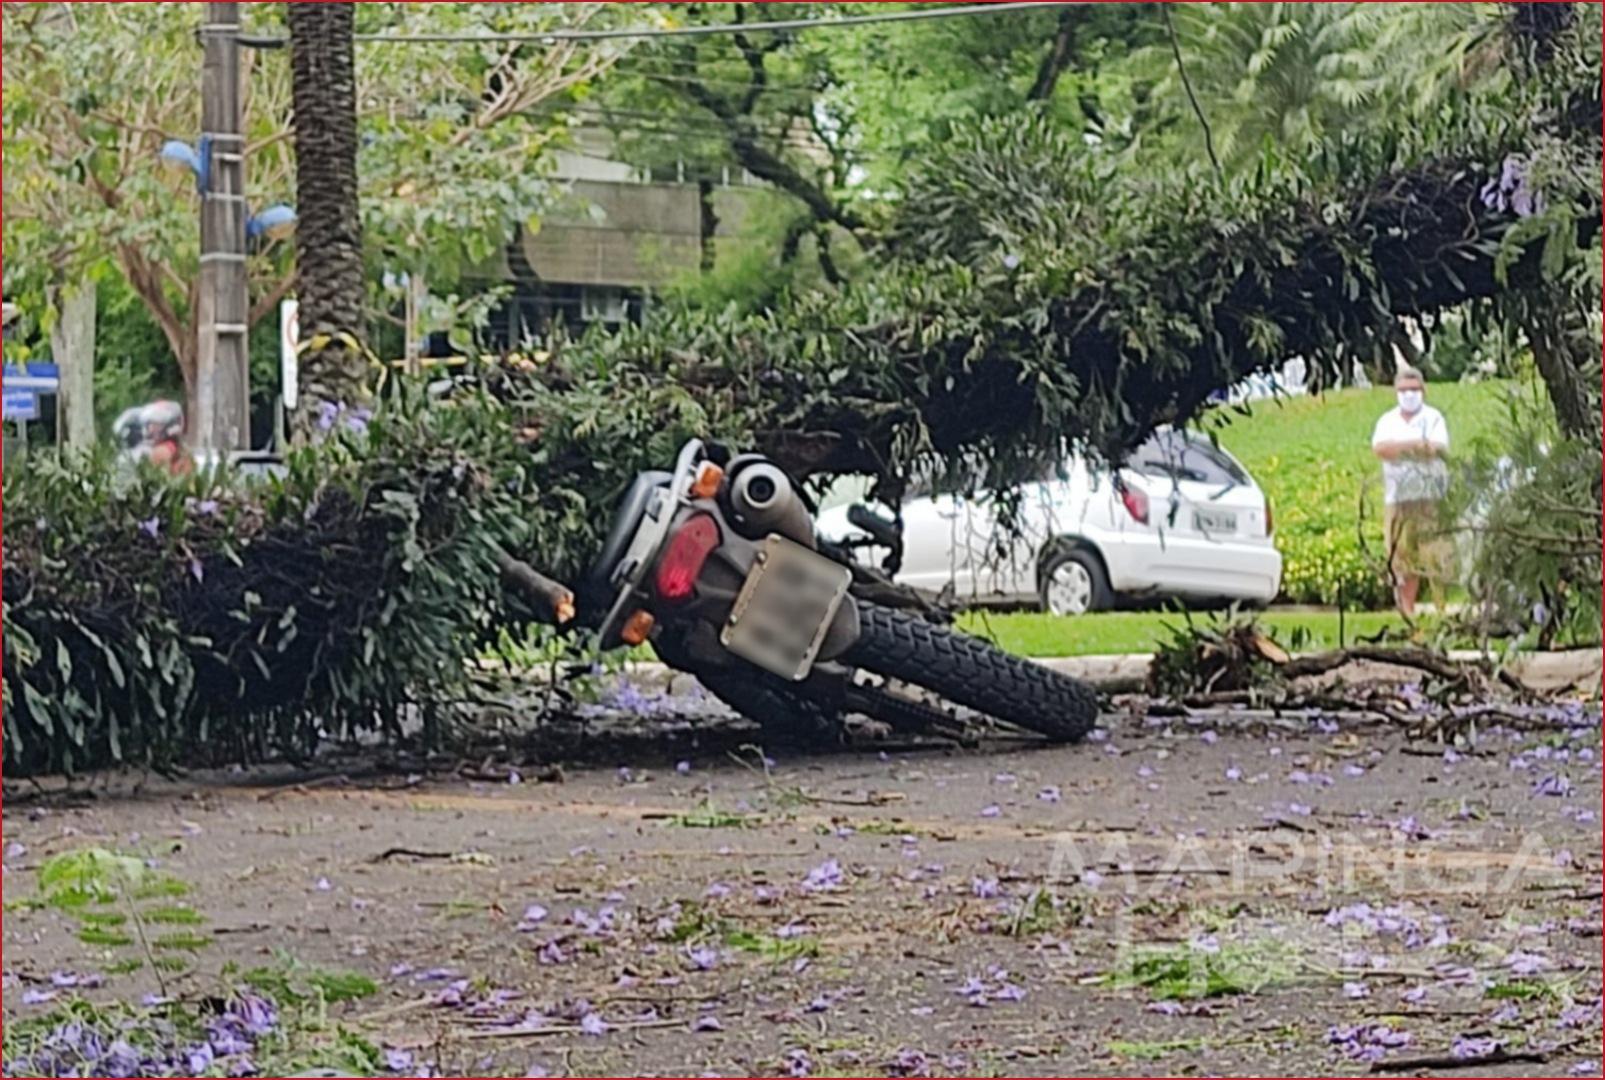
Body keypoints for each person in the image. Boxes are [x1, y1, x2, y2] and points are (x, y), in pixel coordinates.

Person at [1371, 366, 1450, 615]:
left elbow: (1436, 449)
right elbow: (1381, 449)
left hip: (1429, 497)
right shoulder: (1387, 420)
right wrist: (1416, 445)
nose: (1409, 395)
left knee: (1433, 554)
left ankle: (1441, 609)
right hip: (1397, 499)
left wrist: (1402, 449)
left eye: (1414, 390)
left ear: (1423, 390)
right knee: (1402, 558)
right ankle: (1407, 611)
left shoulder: (1434, 417)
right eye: (1404, 390)